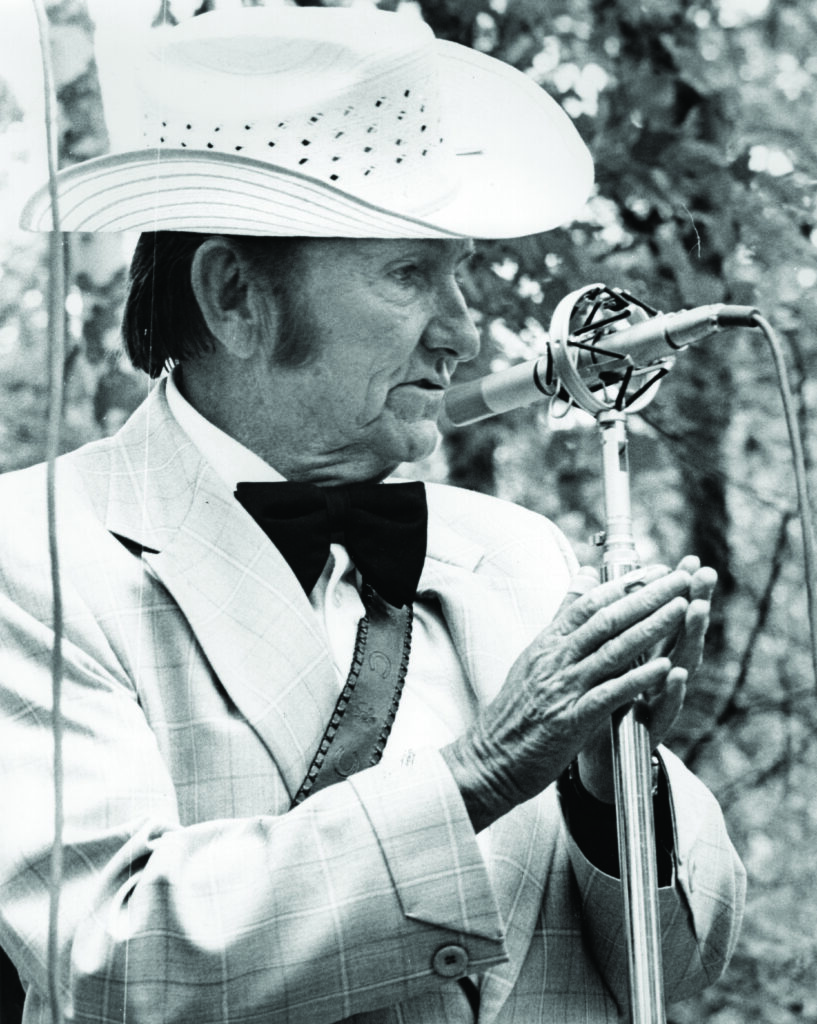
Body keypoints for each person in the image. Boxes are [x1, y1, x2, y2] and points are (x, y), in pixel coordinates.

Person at [2, 7, 744, 1023]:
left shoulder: (521, 555)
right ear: (235, 297)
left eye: (462, 275)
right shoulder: (36, 550)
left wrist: (608, 788)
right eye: (409, 276)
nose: (465, 336)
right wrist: (483, 770)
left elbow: (681, 965)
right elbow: (118, 954)